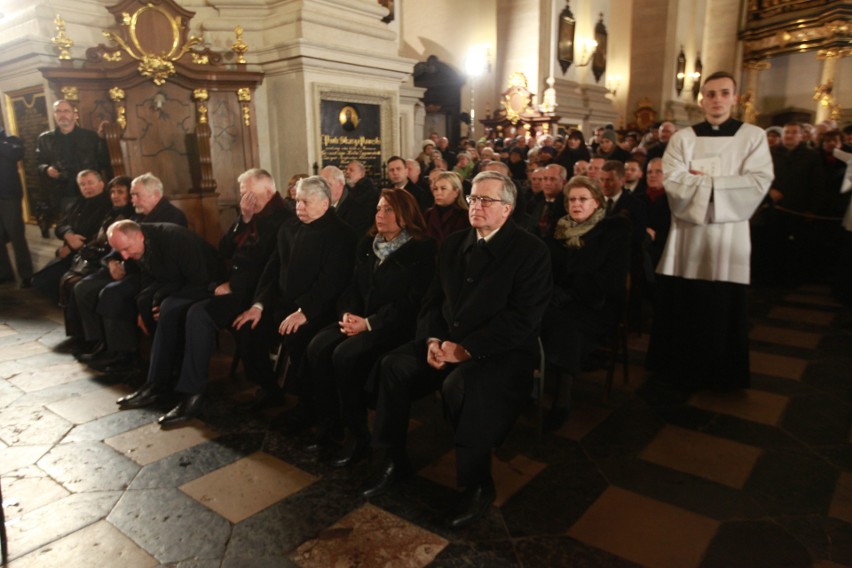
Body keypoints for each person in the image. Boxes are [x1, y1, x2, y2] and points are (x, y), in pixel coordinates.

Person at [362, 171, 552, 530]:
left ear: (507, 209)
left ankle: (477, 483)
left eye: (486, 200)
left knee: (460, 386)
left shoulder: (530, 251)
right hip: (445, 341)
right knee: (393, 365)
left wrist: (465, 350)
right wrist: (433, 341)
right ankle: (390, 458)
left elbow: (522, 319)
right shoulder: (452, 243)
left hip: (501, 351)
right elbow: (432, 301)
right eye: (473, 198)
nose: (475, 206)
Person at [117, 169, 292, 422]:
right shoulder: (249, 213)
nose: (244, 199)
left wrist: (238, 289)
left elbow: (271, 266)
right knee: (170, 306)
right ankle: (156, 382)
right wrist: (243, 219)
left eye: (248, 193)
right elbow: (224, 248)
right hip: (230, 284)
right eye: (241, 194)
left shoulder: (283, 217)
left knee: (198, 314)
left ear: (268, 190)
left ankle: (193, 394)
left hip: (254, 293)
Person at [646, 71, 773, 391]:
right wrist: (724, 184)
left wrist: (704, 182)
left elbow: (758, 182)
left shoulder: (753, 137)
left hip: (729, 236)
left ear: (735, 98)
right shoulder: (682, 139)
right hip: (688, 234)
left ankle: (721, 374)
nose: (717, 99)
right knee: (684, 302)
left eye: (724, 93)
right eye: (711, 94)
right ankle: (676, 369)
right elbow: (672, 181)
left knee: (723, 304)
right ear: (701, 99)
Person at [305, 189, 436, 461]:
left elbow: (413, 302)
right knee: (317, 346)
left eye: (388, 209)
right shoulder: (367, 244)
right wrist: (347, 314)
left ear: (405, 214)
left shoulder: (422, 248)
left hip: (393, 325)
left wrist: (369, 323)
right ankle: (330, 426)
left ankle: (359, 436)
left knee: (345, 355)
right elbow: (352, 286)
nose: (380, 214)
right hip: (359, 318)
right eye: (378, 208)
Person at [232, 176, 356, 428]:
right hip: (283, 304)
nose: (298, 206)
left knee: (299, 338)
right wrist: (258, 306)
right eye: (297, 200)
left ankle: (309, 407)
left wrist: (305, 312)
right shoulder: (288, 227)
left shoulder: (342, 233)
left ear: (324, 203)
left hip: (320, 309)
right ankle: (270, 390)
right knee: (247, 327)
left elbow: (331, 282)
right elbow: (272, 269)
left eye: (305, 201)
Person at [73, 172, 188, 369]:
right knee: (83, 287)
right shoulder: (137, 215)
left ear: (155, 195)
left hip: (148, 274)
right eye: (132, 195)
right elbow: (116, 245)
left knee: (112, 293)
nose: (132, 199)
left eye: (137, 195)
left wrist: (126, 265)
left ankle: (124, 354)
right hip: (126, 265)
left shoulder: (173, 217)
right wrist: (111, 261)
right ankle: (101, 342)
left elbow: (160, 258)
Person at [541, 176, 631, 427]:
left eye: (583, 199)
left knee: (564, 324)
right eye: (571, 199)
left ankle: (563, 399)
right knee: (528, 315)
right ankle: (524, 386)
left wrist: (571, 293)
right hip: (559, 299)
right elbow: (545, 270)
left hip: (597, 304)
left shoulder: (612, 232)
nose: (576, 204)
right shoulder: (558, 232)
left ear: (597, 203)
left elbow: (610, 281)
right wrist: (555, 290)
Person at [58, 176, 134, 347]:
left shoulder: (131, 215)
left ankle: (103, 342)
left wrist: (110, 261)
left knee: (86, 287)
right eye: (113, 192)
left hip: (121, 265)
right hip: (103, 260)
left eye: (120, 192)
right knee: (73, 283)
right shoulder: (112, 212)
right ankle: (89, 337)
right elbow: (98, 237)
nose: (115, 196)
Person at [31, 169, 112, 304]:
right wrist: (69, 236)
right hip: (71, 253)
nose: (87, 187)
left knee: (48, 282)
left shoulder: (107, 205)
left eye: (90, 183)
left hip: (90, 257)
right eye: (82, 184)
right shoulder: (77, 203)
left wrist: (72, 246)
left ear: (101, 184)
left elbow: (98, 233)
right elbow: (61, 225)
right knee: (38, 281)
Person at [36, 100, 109, 221]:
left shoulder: (90, 137)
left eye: (66, 111)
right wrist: (46, 169)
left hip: (89, 190)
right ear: (54, 115)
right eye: (58, 111)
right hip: (64, 192)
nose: (62, 114)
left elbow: (103, 162)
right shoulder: (45, 139)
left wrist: (102, 140)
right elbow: (39, 163)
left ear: (75, 115)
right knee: (69, 227)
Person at [0, 126, 33, 287]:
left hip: (9, 197)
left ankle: (26, 274)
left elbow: (17, 154)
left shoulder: (12, 140)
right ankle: (4, 274)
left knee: (16, 236)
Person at [320, 165, 376, 236]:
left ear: (340, 184)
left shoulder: (359, 212)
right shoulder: (318, 206)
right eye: (320, 186)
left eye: (327, 185)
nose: (322, 190)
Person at [422, 171, 469, 246]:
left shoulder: (465, 216)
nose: (438, 193)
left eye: (443, 188)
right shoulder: (428, 215)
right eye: (435, 189)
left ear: (456, 192)